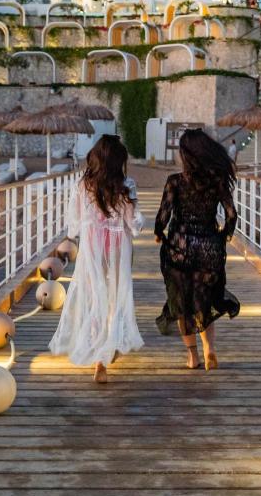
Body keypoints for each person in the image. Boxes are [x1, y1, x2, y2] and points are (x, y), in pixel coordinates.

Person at [49, 135, 144, 384]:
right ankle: (108, 347)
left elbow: (74, 226)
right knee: (115, 297)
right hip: (118, 249)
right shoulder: (126, 185)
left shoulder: (83, 185)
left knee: (94, 297)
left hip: (92, 250)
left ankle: (98, 355)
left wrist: (86, 227)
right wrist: (138, 219)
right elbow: (134, 225)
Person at [154, 129, 240, 370]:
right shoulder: (217, 180)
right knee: (204, 299)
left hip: (179, 249)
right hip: (208, 248)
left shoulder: (175, 181)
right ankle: (210, 350)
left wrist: (159, 233)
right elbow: (231, 214)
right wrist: (223, 236)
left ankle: (193, 356)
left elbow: (164, 215)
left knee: (182, 304)